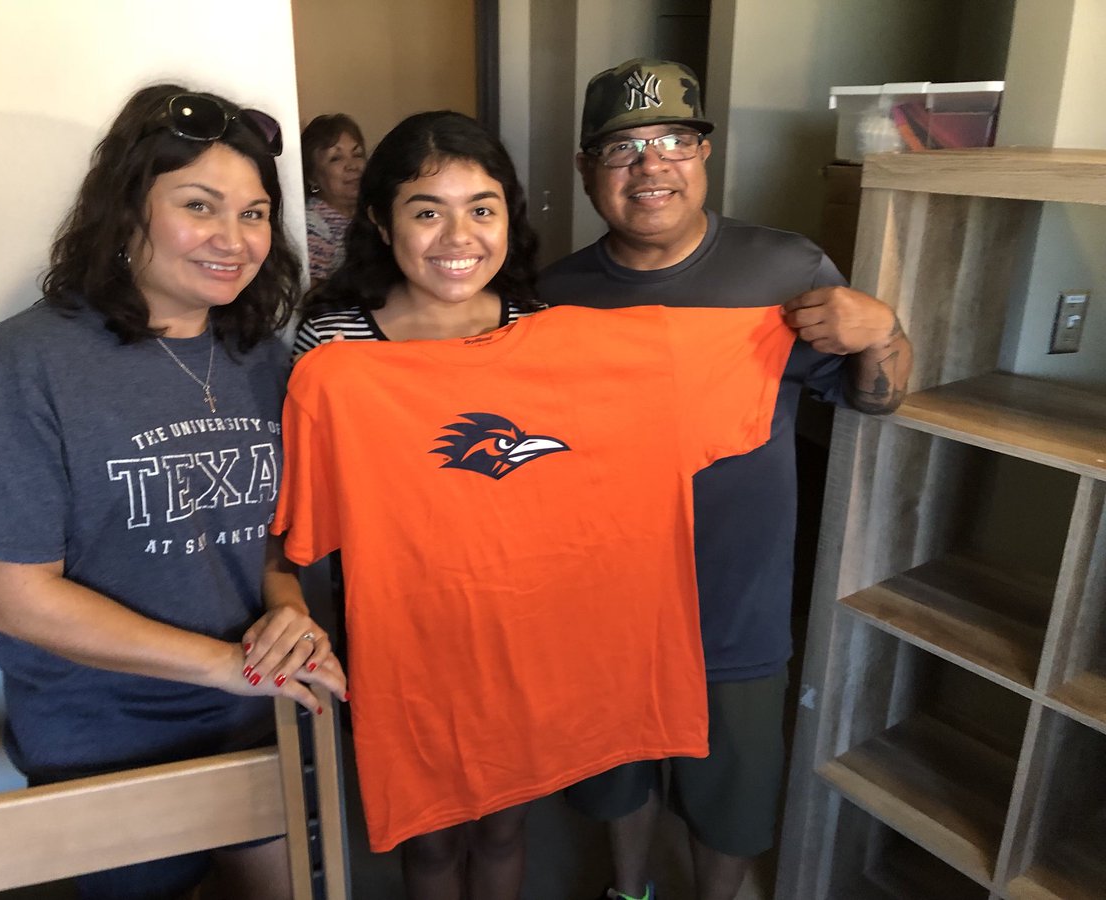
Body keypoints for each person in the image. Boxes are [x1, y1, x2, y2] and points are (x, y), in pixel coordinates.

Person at [273, 110, 797, 900]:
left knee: (505, 826)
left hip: (528, 639)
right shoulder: (335, 358)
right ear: (381, 222)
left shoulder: (556, 337)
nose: (458, 236)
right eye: (427, 211)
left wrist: (835, 324)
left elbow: (695, 380)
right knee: (429, 840)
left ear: (507, 218)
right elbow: (298, 521)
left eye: (481, 209)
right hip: (410, 645)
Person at [0, 84, 347, 900]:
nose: (234, 239)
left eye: (255, 213)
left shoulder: (260, 356)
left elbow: (262, 539)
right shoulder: (29, 360)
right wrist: (224, 665)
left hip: (252, 718)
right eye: (200, 205)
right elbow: (17, 599)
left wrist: (287, 610)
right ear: (128, 210)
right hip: (103, 739)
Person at [538, 58, 914, 900]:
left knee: (733, 803)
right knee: (616, 777)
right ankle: (629, 891)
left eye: (674, 139)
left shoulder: (784, 268)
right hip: (601, 603)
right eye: (623, 148)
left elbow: (877, 399)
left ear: (704, 152)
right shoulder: (555, 296)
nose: (651, 165)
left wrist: (882, 331)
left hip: (736, 605)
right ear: (587, 168)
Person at [300, 113, 367, 289]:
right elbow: (310, 294)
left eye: (357, 154)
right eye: (335, 158)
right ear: (312, 176)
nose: (353, 166)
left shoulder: (368, 212)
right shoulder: (314, 224)